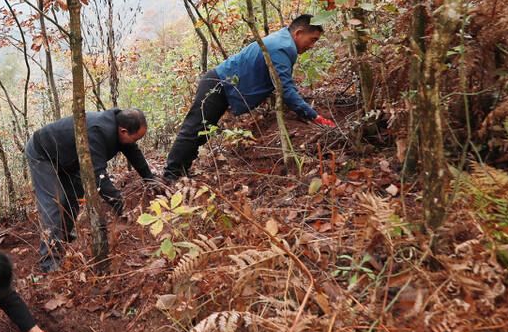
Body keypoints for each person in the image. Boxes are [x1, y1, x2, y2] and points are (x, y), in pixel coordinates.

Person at [162, 14, 335, 182]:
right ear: (298, 33)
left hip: (221, 86)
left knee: (202, 132)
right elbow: (285, 89)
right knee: (194, 129)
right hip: (218, 85)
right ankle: (170, 175)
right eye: (312, 39)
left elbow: (279, 83)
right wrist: (314, 116)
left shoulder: (282, 41)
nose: (312, 45)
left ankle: (181, 172)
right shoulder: (282, 47)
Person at [25, 108, 156, 273]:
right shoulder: (98, 131)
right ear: (123, 131)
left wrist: (150, 179)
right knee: (53, 203)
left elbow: (134, 152)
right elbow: (98, 175)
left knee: (73, 195)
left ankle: (62, 236)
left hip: (67, 158)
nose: (134, 142)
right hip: (43, 153)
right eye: (135, 138)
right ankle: (49, 263)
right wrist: (118, 203)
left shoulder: (118, 128)